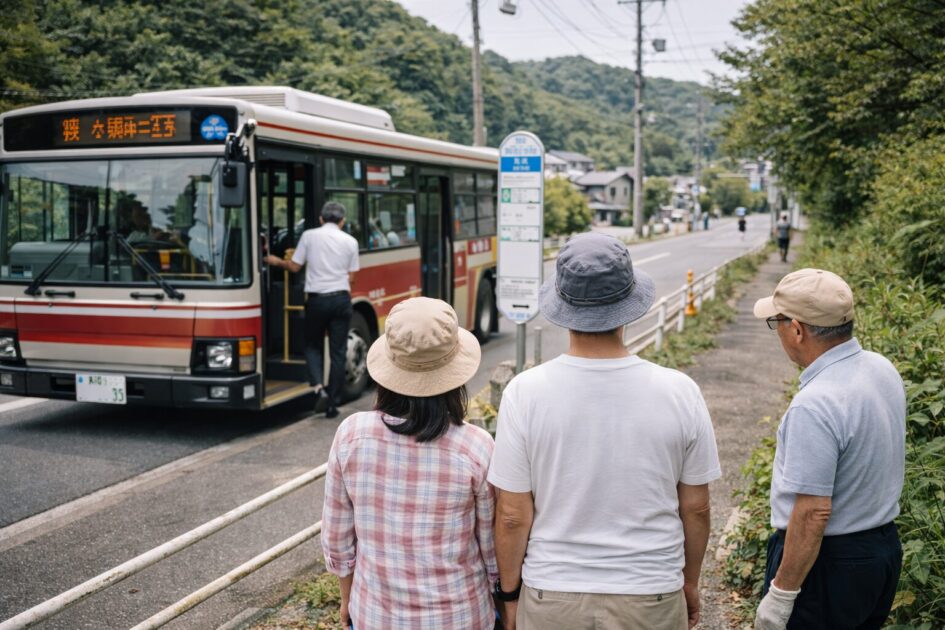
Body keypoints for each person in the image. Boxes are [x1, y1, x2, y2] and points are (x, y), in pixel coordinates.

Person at [490, 232, 721, 630]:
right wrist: (688, 582)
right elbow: (696, 507)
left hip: (552, 593)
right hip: (650, 592)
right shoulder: (680, 391)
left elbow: (512, 515)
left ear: (562, 306)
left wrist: (510, 597)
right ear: (628, 307)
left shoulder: (524, 393)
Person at [321, 297, 498, 629]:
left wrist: (347, 600)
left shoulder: (351, 435)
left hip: (375, 616)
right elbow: (491, 547)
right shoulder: (476, 446)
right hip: (460, 617)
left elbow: (338, 540)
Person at [753, 269, 905, 630]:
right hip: (881, 551)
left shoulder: (815, 403)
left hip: (826, 565)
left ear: (797, 330)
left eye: (777, 322)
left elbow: (812, 512)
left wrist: (781, 595)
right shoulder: (882, 369)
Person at [265, 201, 359, 418]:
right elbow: (352, 278)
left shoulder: (308, 236)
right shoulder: (351, 241)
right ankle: (333, 402)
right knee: (338, 352)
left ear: (321, 219)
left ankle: (318, 388)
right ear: (342, 221)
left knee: (312, 345)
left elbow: (294, 266)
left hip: (317, 301)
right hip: (341, 299)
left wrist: (276, 261)